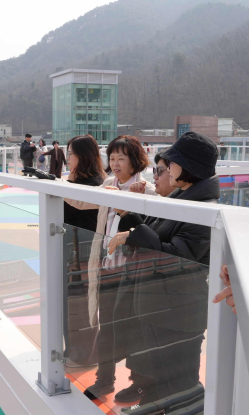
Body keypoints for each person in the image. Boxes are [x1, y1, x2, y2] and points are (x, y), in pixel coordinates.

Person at [107, 132, 220, 412]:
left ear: (188, 166)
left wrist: (133, 233)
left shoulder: (202, 210)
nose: (168, 167)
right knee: (161, 374)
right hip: (163, 305)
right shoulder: (182, 199)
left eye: (172, 162)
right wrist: (128, 217)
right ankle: (152, 405)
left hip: (178, 312)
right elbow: (158, 235)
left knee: (180, 383)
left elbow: (177, 256)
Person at [69, 135, 155, 402]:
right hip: (108, 267)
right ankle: (104, 380)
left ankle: (139, 382)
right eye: (112, 158)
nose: (115, 164)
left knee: (135, 328)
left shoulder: (147, 190)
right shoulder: (108, 184)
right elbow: (82, 202)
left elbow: (152, 229)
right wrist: (57, 184)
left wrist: (132, 201)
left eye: (121, 158)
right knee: (107, 329)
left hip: (132, 272)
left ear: (135, 160)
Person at [62, 134, 107, 366]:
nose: (68, 158)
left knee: (80, 304)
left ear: (84, 156)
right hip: (75, 251)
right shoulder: (80, 182)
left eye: (71, 154)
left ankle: (83, 355)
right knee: (74, 303)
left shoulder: (94, 186)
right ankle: (74, 351)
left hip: (82, 253)